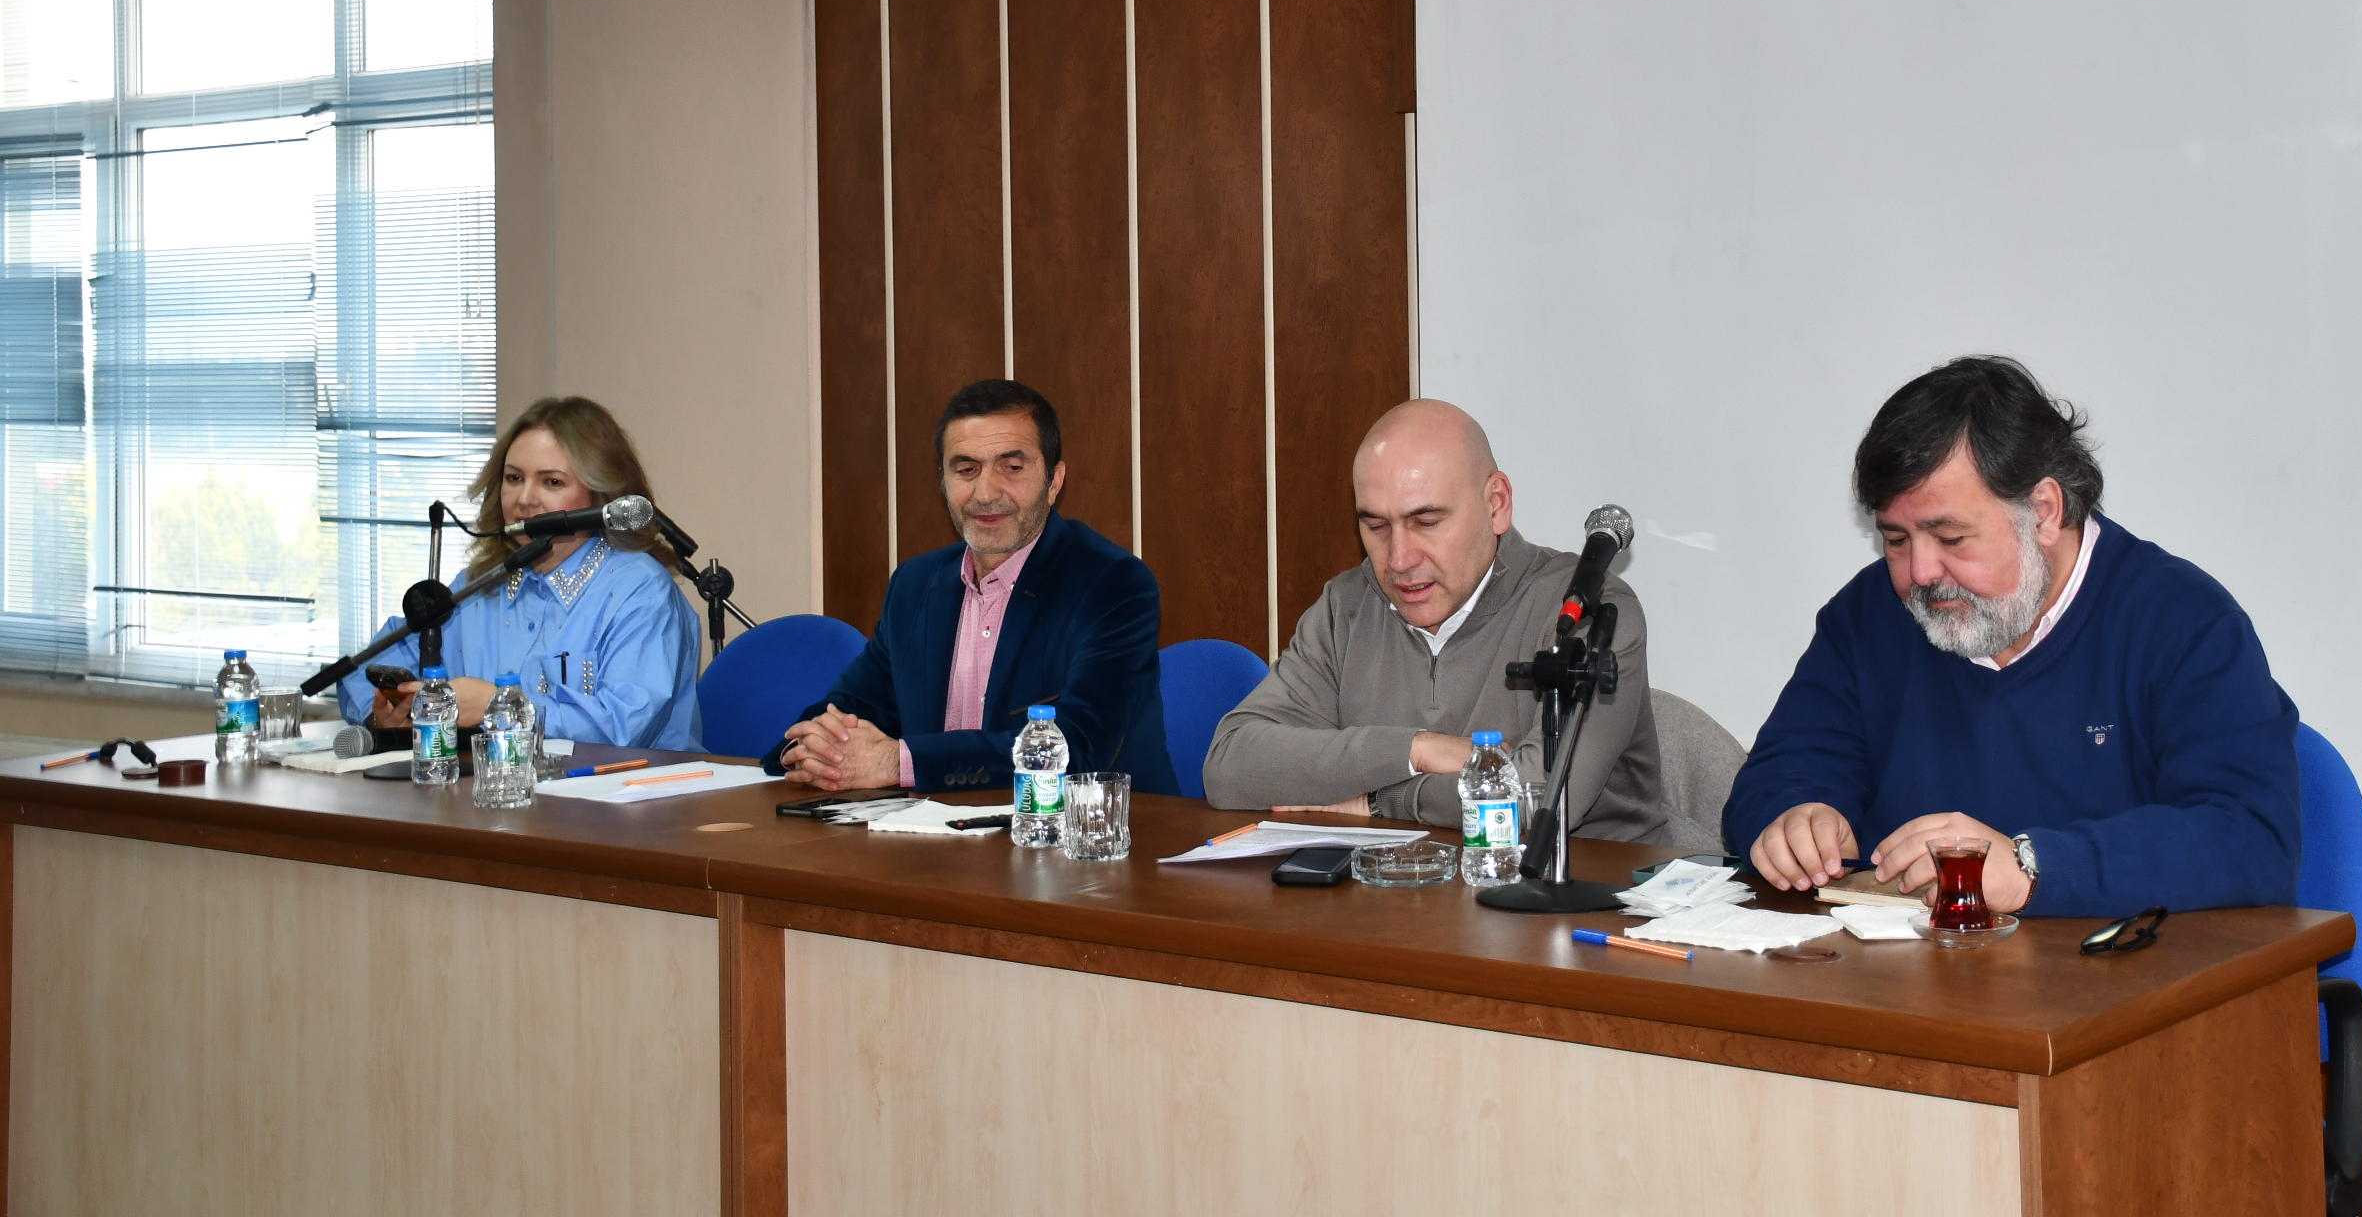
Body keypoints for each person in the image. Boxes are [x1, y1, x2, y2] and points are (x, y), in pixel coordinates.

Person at [1722, 356, 2299, 919]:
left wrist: (2034, 867)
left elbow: (2251, 838)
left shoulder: (2182, 621)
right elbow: (1777, 776)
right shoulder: (1867, 616)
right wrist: (1794, 818)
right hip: (1903, 970)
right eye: (1896, 540)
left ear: (2043, 511)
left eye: (1951, 538)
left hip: (2114, 970)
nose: (1920, 572)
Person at [1204, 399, 1666, 841]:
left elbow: (1535, 798)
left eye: (1426, 522)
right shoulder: (1346, 607)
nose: (1399, 560)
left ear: (1496, 504)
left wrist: (1381, 800)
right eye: (1376, 527)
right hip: (1408, 885)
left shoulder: (1591, 610)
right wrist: (1417, 749)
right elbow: (1229, 767)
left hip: (1589, 885)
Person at [774, 379, 1171, 793]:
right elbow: (852, 707)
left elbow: (1079, 747)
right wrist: (809, 749)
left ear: (1054, 481)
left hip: (1090, 827)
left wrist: (898, 763)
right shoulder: (915, 585)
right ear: (943, 481)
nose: (985, 493)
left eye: (1011, 468)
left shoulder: (1113, 584)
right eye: (966, 470)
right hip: (932, 825)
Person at [343, 394, 702, 752]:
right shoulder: (477, 586)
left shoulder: (640, 590)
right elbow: (361, 670)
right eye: (514, 478)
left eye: (552, 482)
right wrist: (385, 714)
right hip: (490, 785)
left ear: (601, 495)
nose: (525, 498)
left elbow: (624, 729)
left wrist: (499, 708)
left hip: (631, 785)